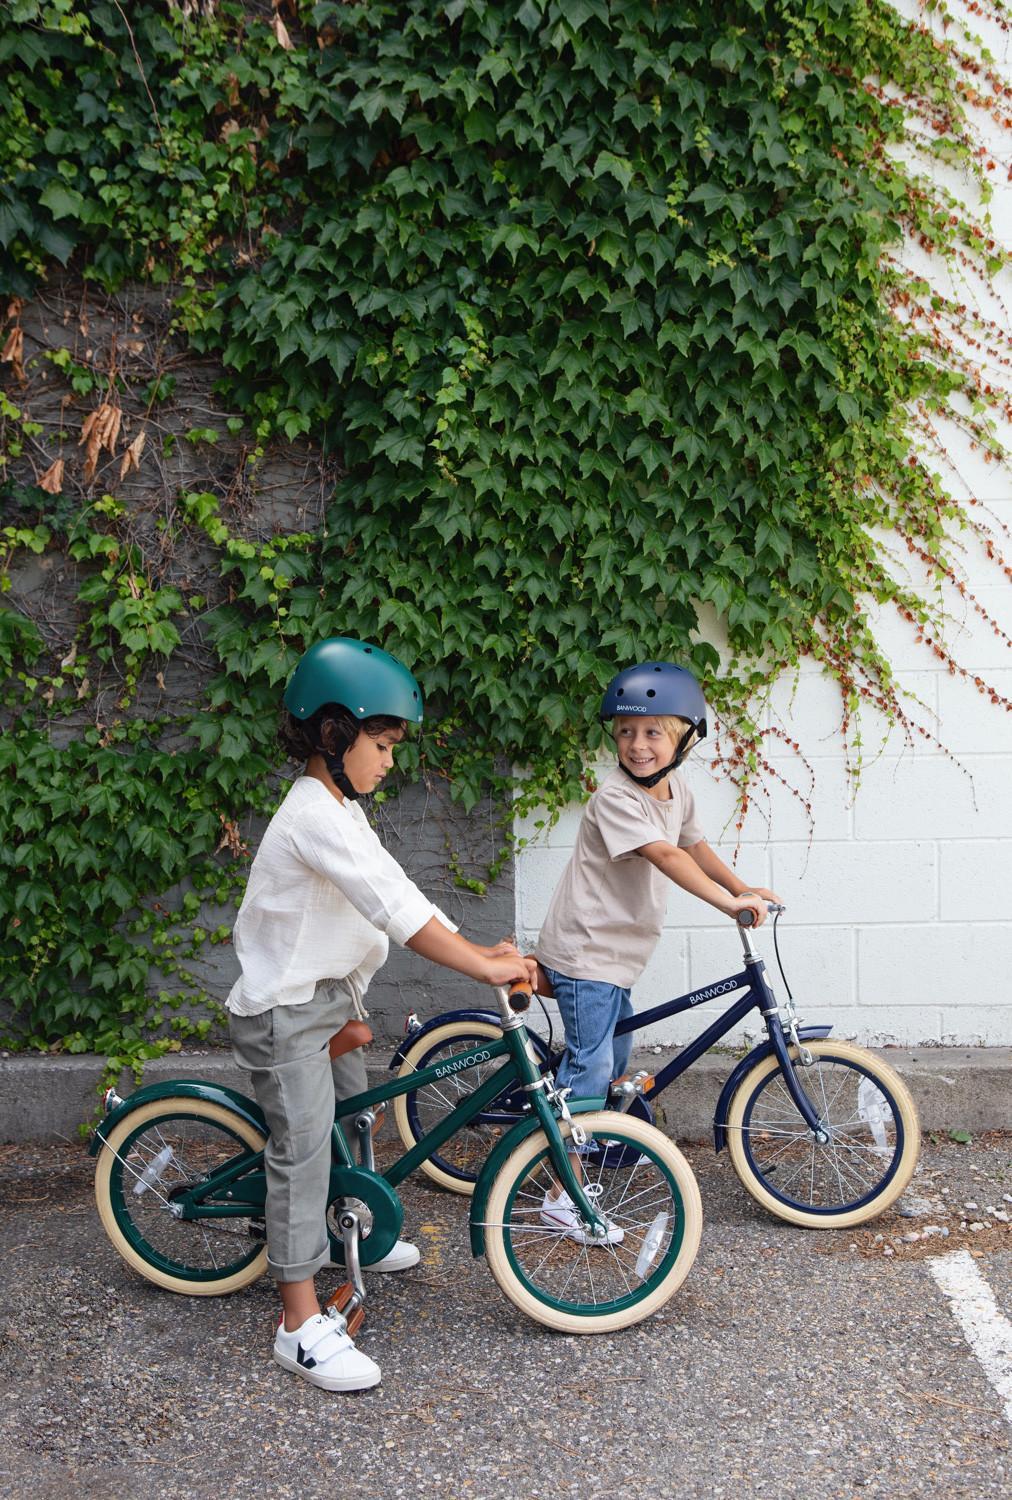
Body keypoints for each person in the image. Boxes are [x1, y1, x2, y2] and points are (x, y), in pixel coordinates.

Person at [227, 636, 534, 1392]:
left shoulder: (342, 808)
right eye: (383, 742)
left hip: (327, 999)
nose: (391, 760)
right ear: (335, 734)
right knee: (300, 1151)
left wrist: (474, 946)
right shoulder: (313, 815)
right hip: (284, 1012)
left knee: (355, 1115)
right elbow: (393, 910)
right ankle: (299, 1325)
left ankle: (349, 1230)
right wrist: (481, 964)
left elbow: (398, 886)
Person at [533, 661, 781, 1243]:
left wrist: (741, 887)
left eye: (652, 732)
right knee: (590, 1068)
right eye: (625, 731)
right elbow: (666, 857)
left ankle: (607, 1143)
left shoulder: (676, 789)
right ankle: (556, 1193)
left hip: (617, 955)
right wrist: (727, 905)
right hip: (585, 951)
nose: (637, 744)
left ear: (683, 738)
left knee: (615, 1059)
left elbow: (693, 844)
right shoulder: (615, 799)